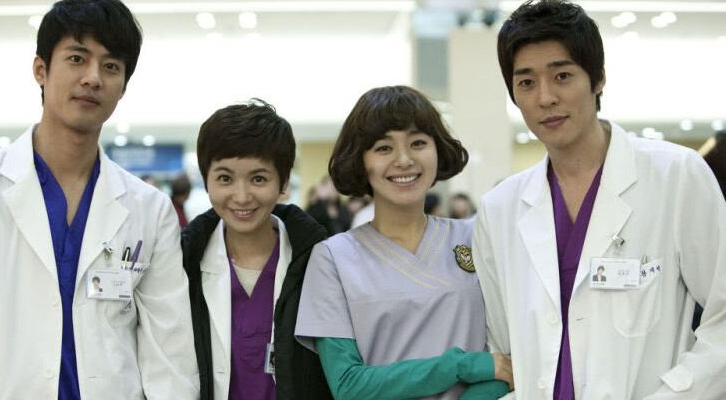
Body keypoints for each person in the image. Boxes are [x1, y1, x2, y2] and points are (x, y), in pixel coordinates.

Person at [0, 1, 198, 399]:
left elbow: (170, 354)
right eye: (77, 58)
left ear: (123, 87)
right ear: (41, 69)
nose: (93, 78)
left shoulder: (150, 210)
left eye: (111, 66)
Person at [473, 1, 726, 398]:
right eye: (526, 83)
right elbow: (502, 348)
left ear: (598, 78)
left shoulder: (676, 176)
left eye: (562, 76)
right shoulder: (499, 209)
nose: (545, 98)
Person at [295, 85, 512, 399]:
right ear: (360, 160)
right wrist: (461, 366)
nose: (404, 159)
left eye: (418, 143)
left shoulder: (477, 236)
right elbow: (347, 385)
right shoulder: (333, 258)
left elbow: (511, 358)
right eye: (384, 148)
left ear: (437, 150)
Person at [181, 99, 332, 400]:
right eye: (225, 178)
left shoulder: (316, 262)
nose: (241, 196)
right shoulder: (183, 264)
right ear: (206, 181)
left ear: (284, 183)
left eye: (258, 178)